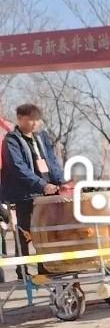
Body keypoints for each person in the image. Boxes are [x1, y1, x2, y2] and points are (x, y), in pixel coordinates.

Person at [0, 104, 63, 277]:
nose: (35, 123)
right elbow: (18, 168)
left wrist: (60, 182)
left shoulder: (41, 137)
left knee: (45, 232)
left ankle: (45, 267)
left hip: (46, 193)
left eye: (37, 119)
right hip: (25, 194)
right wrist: (41, 184)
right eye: (30, 119)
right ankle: (23, 269)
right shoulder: (11, 140)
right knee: (25, 232)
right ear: (19, 119)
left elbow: (52, 161)